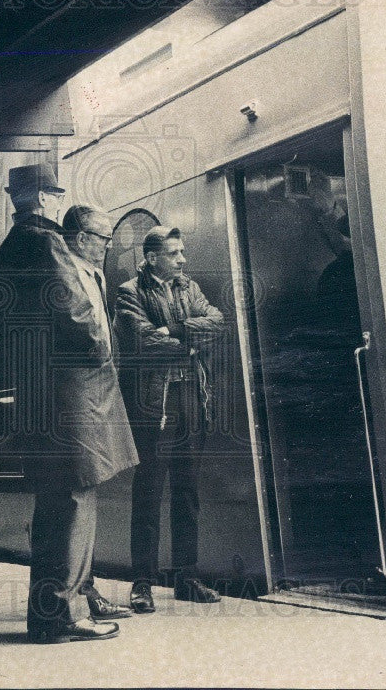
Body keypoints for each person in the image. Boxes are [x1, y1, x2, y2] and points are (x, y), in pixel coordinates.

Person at [0, 165, 138, 643]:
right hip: (72, 395)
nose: (59, 199)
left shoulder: (8, 248)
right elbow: (75, 313)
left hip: (42, 393)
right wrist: (101, 347)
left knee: (56, 503)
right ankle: (62, 616)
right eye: (56, 193)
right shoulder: (45, 241)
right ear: (46, 197)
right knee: (74, 501)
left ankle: (50, 615)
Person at [114, 226, 225, 613]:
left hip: (192, 399)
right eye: (175, 253)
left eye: (182, 252)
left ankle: (186, 578)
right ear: (152, 257)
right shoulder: (129, 292)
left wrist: (175, 330)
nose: (183, 259)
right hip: (154, 406)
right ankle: (142, 582)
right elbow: (142, 342)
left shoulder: (188, 287)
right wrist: (187, 347)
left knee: (187, 491)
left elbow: (217, 323)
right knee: (148, 493)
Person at [61, 204, 136, 622]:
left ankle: (87, 592)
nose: (107, 245)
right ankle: (76, 597)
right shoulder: (67, 271)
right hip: (82, 391)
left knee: (90, 492)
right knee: (79, 493)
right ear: (81, 237)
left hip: (99, 389)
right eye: (102, 237)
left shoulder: (96, 274)